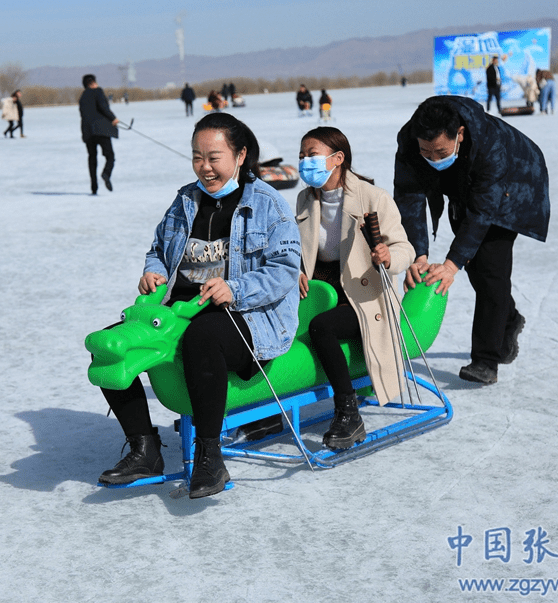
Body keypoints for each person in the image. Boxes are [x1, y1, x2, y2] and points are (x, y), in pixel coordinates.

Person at [96, 112, 301, 499]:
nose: (205, 167)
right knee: (112, 345)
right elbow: (158, 249)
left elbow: (285, 272)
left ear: (240, 156)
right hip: (180, 310)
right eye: (197, 157)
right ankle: (144, 448)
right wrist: (152, 273)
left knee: (203, 336)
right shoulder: (184, 201)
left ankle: (209, 455)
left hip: (248, 316)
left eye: (214, 157)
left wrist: (235, 288)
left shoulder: (270, 205)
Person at [393, 95, 550, 385]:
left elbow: (483, 212)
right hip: (462, 184)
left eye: (440, 152)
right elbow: (409, 197)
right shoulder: (410, 140)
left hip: (515, 184)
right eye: (426, 152)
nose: (433, 159)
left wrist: (452, 265)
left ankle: (487, 359)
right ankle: (509, 317)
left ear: (460, 135)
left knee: (491, 268)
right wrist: (418, 255)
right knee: (476, 268)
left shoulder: (493, 145)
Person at [294, 127, 415, 449]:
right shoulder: (305, 199)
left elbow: (405, 247)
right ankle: (259, 414)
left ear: (338, 158)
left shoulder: (372, 197)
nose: (306, 161)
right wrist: (295, 271)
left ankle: (348, 412)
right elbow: (295, 247)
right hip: (319, 289)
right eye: (302, 155)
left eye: (312, 154)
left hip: (362, 295)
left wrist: (389, 257)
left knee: (321, 328)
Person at [79, 74, 120, 195]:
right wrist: (113, 118)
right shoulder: (97, 91)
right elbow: (103, 107)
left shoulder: (82, 97)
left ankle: (94, 187)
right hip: (101, 129)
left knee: (92, 158)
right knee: (110, 155)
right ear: (92, 83)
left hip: (87, 131)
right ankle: (106, 173)